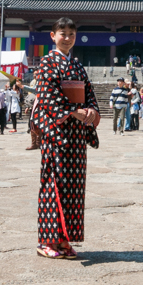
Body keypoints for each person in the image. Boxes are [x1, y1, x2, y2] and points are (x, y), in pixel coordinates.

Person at [30, 17, 99, 259]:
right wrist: (73, 111)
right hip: (57, 132)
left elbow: (89, 92)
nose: (67, 38)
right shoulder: (47, 63)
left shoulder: (77, 66)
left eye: (71, 34)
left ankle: (63, 240)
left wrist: (91, 110)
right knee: (54, 184)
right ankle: (46, 241)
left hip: (77, 134)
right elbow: (48, 95)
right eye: (63, 33)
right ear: (53, 36)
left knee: (74, 188)